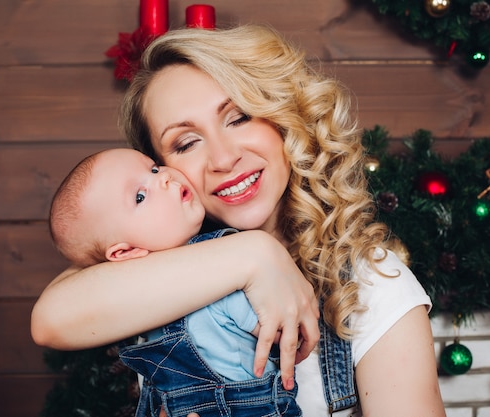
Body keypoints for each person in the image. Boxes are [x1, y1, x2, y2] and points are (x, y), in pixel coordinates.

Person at [32, 24, 446, 417]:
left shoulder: (373, 284)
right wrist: (254, 254)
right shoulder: (157, 260)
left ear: (284, 119)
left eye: (239, 117)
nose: (224, 158)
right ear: (163, 168)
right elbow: (51, 319)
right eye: (186, 142)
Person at [48, 147, 301, 416]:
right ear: (124, 252)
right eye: (140, 196)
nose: (164, 178)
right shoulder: (130, 297)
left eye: (154, 168)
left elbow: (278, 328)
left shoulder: (225, 259)